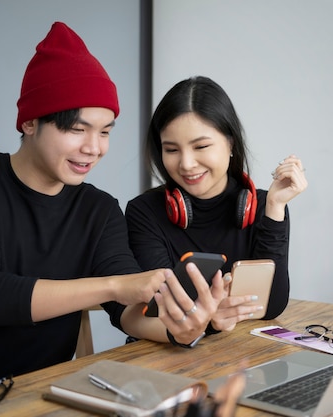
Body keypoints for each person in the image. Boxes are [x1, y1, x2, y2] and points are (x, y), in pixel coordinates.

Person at [0, 21, 180, 399]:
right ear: (30, 122)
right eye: (77, 129)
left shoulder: (98, 209)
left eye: (105, 131)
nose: (94, 147)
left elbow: (128, 310)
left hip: (45, 397)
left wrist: (174, 326)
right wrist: (116, 286)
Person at [123, 76, 308, 347]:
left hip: (235, 358)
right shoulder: (144, 212)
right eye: (171, 149)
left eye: (201, 146)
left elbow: (271, 304)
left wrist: (276, 208)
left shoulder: (265, 207)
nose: (186, 164)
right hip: (163, 358)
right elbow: (160, 309)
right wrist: (209, 320)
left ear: (230, 143)